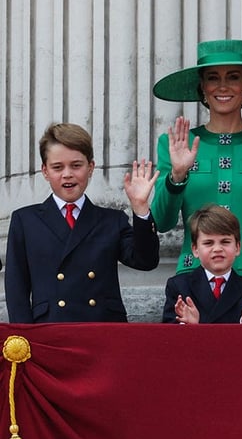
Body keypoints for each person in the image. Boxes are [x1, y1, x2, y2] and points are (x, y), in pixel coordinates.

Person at [151, 39, 242, 322]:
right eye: (213, 78)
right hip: (193, 284)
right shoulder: (176, 143)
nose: (223, 86)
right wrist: (177, 175)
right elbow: (163, 221)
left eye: (233, 77)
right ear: (202, 86)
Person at [5, 123, 160, 323]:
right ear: (45, 171)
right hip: (50, 330)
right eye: (57, 167)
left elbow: (145, 261)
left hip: (102, 330)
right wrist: (23, 339)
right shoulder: (25, 220)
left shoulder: (112, 220)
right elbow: (16, 288)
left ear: (91, 168)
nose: (67, 174)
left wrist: (140, 208)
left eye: (76, 165)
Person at [162, 205, 242, 324]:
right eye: (208, 243)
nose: (217, 249)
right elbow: (167, 337)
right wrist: (190, 327)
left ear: (238, 247)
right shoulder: (179, 287)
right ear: (195, 249)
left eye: (225, 242)